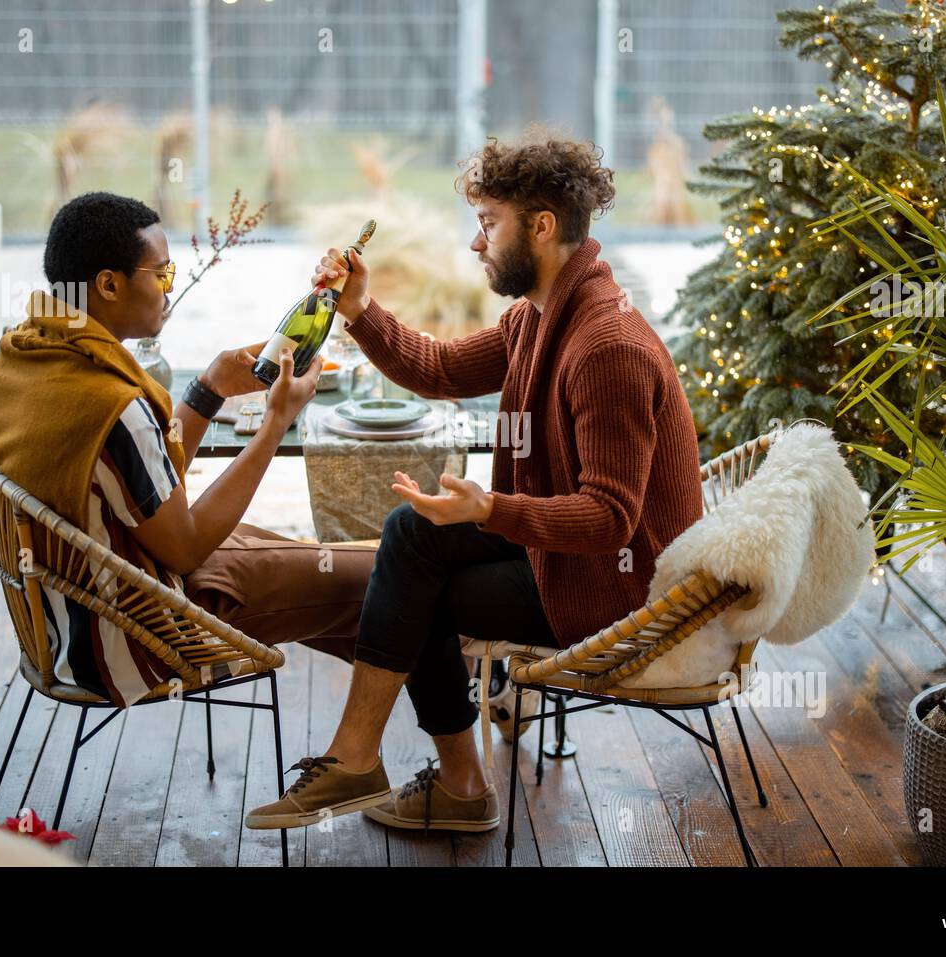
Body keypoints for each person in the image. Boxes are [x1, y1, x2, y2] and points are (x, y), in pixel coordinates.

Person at [244, 132, 704, 833]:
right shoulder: (539, 316)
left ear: (542, 226)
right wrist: (359, 310)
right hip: (563, 555)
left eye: (489, 224)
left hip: (613, 586)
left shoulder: (607, 346)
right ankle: (372, 763)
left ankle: (439, 781)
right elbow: (438, 369)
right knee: (410, 534)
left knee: (418, 588)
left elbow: (611, 517)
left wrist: (489, 506)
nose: (474, 243)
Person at [0, 192, 374, 708]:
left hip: (66, 620)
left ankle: (412, 719)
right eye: (161, 274)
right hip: (138, 633)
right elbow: (184, 547)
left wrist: (207, 389)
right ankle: (448, 719)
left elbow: (142, 483)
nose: (170, 288)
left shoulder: (29, 356)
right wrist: (277, 421)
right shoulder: (112, 405)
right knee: (387, 582)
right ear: (110, 284)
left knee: (368, 595)